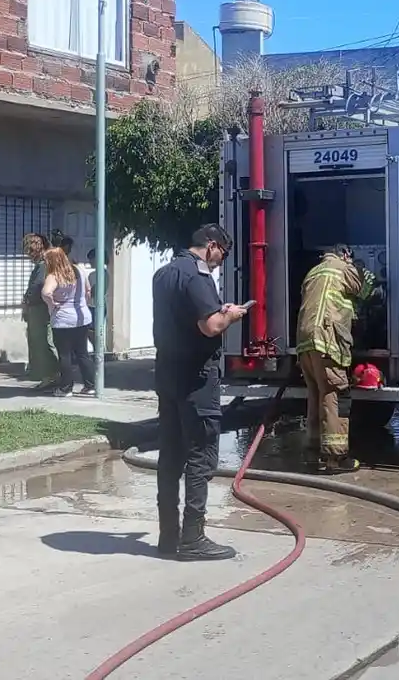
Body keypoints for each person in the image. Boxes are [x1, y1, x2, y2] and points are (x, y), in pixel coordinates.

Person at [152, 223, 246, 561]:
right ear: (211, 245)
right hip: (196, 377)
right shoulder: (197, 276)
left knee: (171, 455)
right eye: (223, 253)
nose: (221, 261)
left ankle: (168, 537)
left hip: (167, 373)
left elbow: (184, 318)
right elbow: (210, 326)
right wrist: (231, 315)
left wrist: (216, 313)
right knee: (200, 454)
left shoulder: (164, 274)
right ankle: (193, 538)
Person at [295, 244, 374, 474]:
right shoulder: (342, 267)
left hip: (306, 343)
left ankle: (311, 453)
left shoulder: (314, 271)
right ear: (345, 254)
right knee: (334, 395)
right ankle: (335, 459)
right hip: (327, 342)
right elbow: (365, 291)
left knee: (315, 394)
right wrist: (359, 269)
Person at [41, 246, 95, 397]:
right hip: (82, 317)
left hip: (63, 319)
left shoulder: (54, 275)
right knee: (82, 353)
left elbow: (46, 293)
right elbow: (88, 291)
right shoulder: (78, 270)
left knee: (65, 355)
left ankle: (66, 388)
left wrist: (52, 304)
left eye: (46, 260)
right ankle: (90, 386)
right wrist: (82, 303)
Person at [21, 233, 58, 390]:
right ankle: (51, 375)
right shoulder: (45, 264)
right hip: (39, 308)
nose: (28, 255)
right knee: (42, 342)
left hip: (39, 309)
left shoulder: (43, 265)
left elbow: (37, 286)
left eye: (29, 251)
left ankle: (50, 376)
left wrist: (27, 301)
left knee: (42, 343)